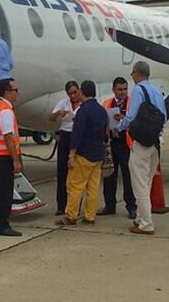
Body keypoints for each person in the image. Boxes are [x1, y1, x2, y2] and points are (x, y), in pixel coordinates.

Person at [114, 61, 167, 235]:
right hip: (155, 142)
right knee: (147, 181)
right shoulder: (156, 91)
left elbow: (131, 116)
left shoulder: (138, 90)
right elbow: (164, 116)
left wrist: (119, 127)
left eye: (132, 74)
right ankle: (139, 218)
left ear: (137, 73)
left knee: (140, 185)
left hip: (142, 143)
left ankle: (146, 223)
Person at [55, 80, 108, 226]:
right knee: (93, 188)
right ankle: (90, 216)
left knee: (75, 186)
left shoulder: (83, 111)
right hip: (98, 153)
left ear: (81, 92)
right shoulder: (102, 110)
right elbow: (105, 132)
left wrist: (71, 154)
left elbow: (77, 134)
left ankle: (71, 216)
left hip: (84, 154)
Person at [0, 78, 23, 237]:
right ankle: (2, 225)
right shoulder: (6, 111)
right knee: (5, 192)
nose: (17, 93)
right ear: (7, 92)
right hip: (4, 156)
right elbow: (8, 137)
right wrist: (16, 159)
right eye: (15, 90)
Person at [99, 77, 137, 219]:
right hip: (111, 143)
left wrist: (123, 118)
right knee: (109, 175)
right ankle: (110, 205)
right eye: (119, 89)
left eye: (125, 89)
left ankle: (131, 207)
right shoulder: (107, 103)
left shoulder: (132, 103)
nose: (122, 92)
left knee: (128, 177)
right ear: (113, 90)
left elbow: (137, 121)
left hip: (126, 144)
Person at [48, 81, 81, 215]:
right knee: (62, 171)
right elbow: (51, 118)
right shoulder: (63, 102)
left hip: (78, 135)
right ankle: (61, 205)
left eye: (75, 92)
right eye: (70, 93)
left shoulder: (84, 104)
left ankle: (75, 205)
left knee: (77, 173)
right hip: (66, 135)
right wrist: (58, 113)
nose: (73, 96)